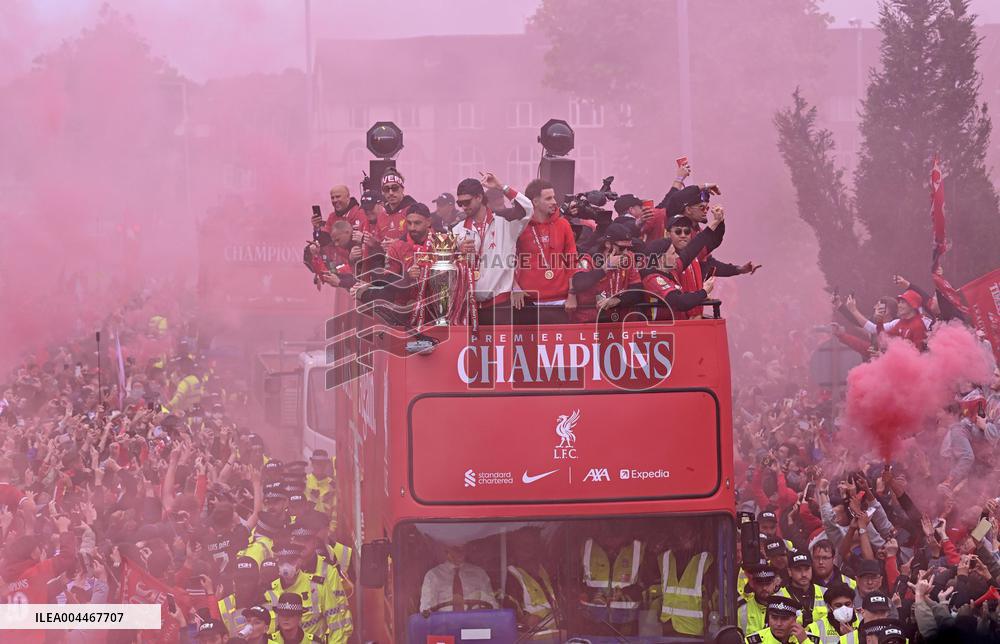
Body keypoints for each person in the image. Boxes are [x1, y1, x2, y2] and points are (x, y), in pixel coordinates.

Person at [452, 173, 532, 325]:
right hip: (469, 306)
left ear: (479, 197)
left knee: (501, 349)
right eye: (460, 203)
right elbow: (451, 269)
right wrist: (458, 254)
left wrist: (501, 187)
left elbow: (528, 209)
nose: (464, 207)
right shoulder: (456, 230)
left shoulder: (506, 224)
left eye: (467, 201)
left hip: (500, 304)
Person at [513, 178, 578, 324]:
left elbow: (572, 262)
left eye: (554, 197)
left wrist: (572, 294)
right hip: (528, 301)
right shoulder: (520, 226)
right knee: (529, 346)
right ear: (535, 202)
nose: (554, 201)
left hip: (560, 301)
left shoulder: (563, 224)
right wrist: (514, 287)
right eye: (548, 198)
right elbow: (507, 260)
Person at [264, 542, 348, 642]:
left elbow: (337, 627)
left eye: (291, 561)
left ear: (300, 561)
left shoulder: (318, 586)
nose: (286, 566)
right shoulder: (269, 591)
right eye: (282, 561)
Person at [571, 223, 643, 323]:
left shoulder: (629, 258)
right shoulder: (589, 259)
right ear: (608, 244)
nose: (625, 252)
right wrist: (605, 268)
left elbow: (638, 290)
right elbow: (578, 283)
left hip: (620, 320)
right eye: (622, 248)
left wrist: (618, 300)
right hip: (591, 320)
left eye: (628, 248)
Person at [578, 531, 645, 635]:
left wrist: (624, 593)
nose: (612, 528)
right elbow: (571, 583)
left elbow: (648, 586)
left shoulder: (639, 548)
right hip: (592, 625)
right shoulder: (585, 545)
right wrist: (592, 594)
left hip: (627, 627)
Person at [658, 525, 715, 637]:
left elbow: (713, 597)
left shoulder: (705, 560)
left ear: (696, 537)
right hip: (667, 628)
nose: (680, 538)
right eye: (677, 535)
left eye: (685, 534)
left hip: (692, 632)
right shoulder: (665, 558)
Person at [505, 530, 560, 642]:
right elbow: (508, 608)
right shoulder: (511, 576)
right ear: (514, 549)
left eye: (532, 545)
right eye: (524, 545)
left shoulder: (544, 571)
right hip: (531, 636)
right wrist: (525, 618)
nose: (529, 549)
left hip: (557, 634)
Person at [420, 543, 498, 613]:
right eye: (455, 548)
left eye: (463, 548)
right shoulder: (433, 575)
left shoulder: (479, 573)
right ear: (446, 549)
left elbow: (491, 605)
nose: (460, 552)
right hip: (444, 626)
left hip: (475, 625)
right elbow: (427, 610)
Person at [843, 290, 930, 350]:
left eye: (903, 302)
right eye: (899, 302)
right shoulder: (899, 323)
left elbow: (919, 354)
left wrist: (854, 310)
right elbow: (882, 335)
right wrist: (880, 321)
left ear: (912, 305)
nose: (899, 305)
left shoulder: (920, 324)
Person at [776, 553, 827, 628]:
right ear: (789, 572)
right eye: (798, 570)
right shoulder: (778, 597)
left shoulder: (826, 593)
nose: (804, 574)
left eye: (807, 569)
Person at [218, 557, 265, 637]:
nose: (245, 585)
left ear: (258, 580)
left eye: (249, 579)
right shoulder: (222, 606)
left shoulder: (274, 599)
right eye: (240, 579)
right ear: (234, 581)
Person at [744, 595, 811, 643]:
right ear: (768, 617)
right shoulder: (752, 642)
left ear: (795, 619)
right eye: (774, 617)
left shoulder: (808, 639)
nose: (779, 624)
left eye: (784, 619)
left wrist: (805, 641)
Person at [738, 563, 781, 636]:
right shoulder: (742, 609)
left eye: (767, 584)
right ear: (753, 584)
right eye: (760, 584)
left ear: (774, 584)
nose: (764, 588)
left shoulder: (784, 605)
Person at [305, 449, 336, 517]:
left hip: (325, 524)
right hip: (307, 523)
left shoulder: (332, 485)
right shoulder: (305, 481)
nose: (320, 466)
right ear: (312, 463)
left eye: (322, 463)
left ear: (327, 464)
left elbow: (334, 508)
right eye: (317, 463)